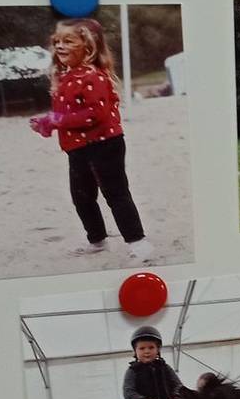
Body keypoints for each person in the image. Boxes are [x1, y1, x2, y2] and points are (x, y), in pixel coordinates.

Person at [28, 17, 152, 263]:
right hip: (77, 148)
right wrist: (47, 122)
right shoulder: (66, 77)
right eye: (57, 41)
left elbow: (96, 114)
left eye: (68, 41)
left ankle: (138, 242)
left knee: (115, 193)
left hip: (105, 144)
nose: (59, 46)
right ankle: (97, 239)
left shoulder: (94, 77)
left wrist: (57, 120)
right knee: (81, 196)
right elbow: (67, 114)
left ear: (88, 46)